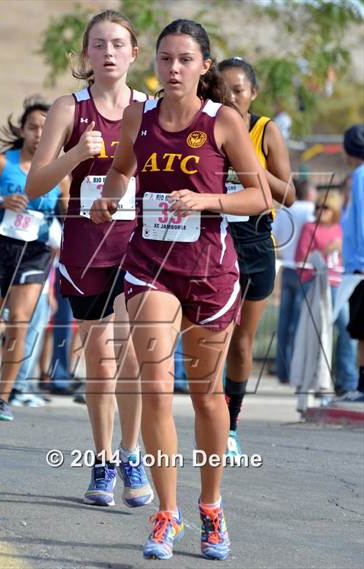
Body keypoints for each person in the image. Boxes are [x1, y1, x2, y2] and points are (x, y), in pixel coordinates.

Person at [91, 19, 272, 560]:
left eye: (184, 59)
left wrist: (209, 201)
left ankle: (211, 509)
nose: (172, 68)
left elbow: (261, 196)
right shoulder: (137, 116)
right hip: (150, 264)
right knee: (154, 385)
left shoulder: (224, 123)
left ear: (204, 66)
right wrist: (108, 197)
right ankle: (165, 514)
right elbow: (122, 172)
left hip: (210, 269)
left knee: (207, 397)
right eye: (165, 58)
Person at [25, 10, 153, 508]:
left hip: (142, 244)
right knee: (100, 362)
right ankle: (103, 461)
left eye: (118, 44)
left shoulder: (152, 108)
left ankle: (131, 452)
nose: (108, 53)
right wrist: (77, 154)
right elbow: (37, 184)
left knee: (132, 355)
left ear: (134, 52)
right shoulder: (68, 108)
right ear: (86, 55)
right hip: (87, 246)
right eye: (98, 44)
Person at [0, 97, 69, 421]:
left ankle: (2, 399)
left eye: (45, 128)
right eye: (33, 127)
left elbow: (69, 216)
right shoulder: (0, 163)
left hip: (33, 254)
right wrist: (0, 200)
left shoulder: (61, 173)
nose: (39, 133)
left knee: (21, 322)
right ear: (22, 130)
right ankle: (2, 331)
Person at [218, 57, 295, 456]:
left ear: (254, 93)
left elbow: (290, 195)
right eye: (223, 89)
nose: (230, 97)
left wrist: (251, 168)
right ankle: (207, 418)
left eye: (238, 90)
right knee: (211, 337)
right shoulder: (207, 123)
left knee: (242, 342)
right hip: (212, 236)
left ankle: (230, 426)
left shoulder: (266, 130)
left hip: (254, 240)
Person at [294, 190, 357, 394]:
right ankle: (315, 379)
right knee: (318, 335)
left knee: (347, 332)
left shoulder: (341, 230)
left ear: (336, 211)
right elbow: (302, 259)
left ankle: (347, 381)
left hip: (339, 285)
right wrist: (325, 252)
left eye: (326, 208)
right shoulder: (309, 228)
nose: (321, 211)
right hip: (317, 284)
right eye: (318, 207)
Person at [273, 179, 317, 383]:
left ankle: (282, 369)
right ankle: (297, 370)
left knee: (284, 321)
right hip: (307, 270)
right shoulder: (311, 209)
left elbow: (275, 237)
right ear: (308, 191)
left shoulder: (284, 211)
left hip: (288, 267)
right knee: (300, 323)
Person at [337, 124, 364, 402]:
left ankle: (361, 386)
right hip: (356, 265)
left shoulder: (359, 175)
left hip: (359, 267)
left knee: (360, 331)